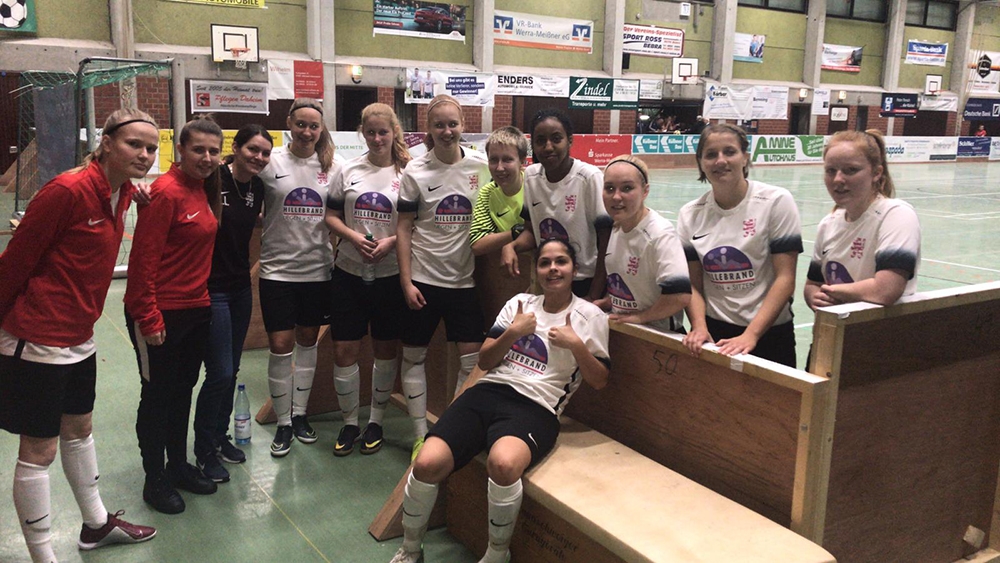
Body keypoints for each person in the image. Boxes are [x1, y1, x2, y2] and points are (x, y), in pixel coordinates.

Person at [389, 239, 610, 563]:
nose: (553, 269)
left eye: (561, 262)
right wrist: (513, 332)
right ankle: (410, 549)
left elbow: (599, 380)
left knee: (503, 464)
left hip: (537, 406)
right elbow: (486, 360)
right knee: (425, 463)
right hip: (489, 391)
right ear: (537, 270)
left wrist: (576, 345)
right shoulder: (520, 303)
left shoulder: (590, 316)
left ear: (574, 269)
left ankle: (496, 554)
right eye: (545, 262)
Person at [0, 108, 159, 562]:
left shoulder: (121, 192)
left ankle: (95, 524)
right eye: (134, 144)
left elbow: (131, 192)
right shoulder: (66, 191)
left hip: (80, 335)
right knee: (39, 449)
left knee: (79, 429)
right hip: (38, 336)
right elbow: (15, 263)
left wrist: (135, 194)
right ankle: (43, 556)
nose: (145, 154)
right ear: (106, 143)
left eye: (151, 148)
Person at [125, 116, 223, 514]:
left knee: (182, 391)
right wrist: (149, 318)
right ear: (180, 150)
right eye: (198, 149)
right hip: (159, 313)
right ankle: (155, 479)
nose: (206, 157)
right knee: (157, 396)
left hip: (195, 310)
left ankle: (178, 466)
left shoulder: (202, 188)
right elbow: (142, 263)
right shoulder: (164, 193)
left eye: (213, 151)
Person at [397, 94, 490, 460]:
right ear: (429, 129)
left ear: (463, 125)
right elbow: (404, 228)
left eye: (453, 124)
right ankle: (420, 435)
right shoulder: (416, 170)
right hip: (422, 280)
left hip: (463, 283)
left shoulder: (482, 167)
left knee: (472, 363)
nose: (447, 131)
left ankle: (449, 432)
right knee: (413, 357)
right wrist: (406, 282)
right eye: (439, 125)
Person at [676, 123, 802, 367]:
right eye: (710, 154)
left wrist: (751, 335)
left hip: (770, 333)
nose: (720, 160)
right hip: (715, 333)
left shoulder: (776, 201)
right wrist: (699, 326)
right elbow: (693, 284)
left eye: (729, 152)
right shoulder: (689, 214)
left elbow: (785, 278)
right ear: (700, 162)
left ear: (745, 157)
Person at [325, 103, 410, 456]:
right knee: (344, 350)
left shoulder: (407, 172)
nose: (377, 139)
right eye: (371, 132)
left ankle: (375, 420)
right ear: (362, 132)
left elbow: (413, 223)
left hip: (390, 275)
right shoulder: (347, 171)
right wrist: (353, 237)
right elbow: (330, 216)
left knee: (385, 349)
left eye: (383, 132)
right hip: (348, 272)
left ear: (394, 133)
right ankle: (350, 423)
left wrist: (391, 242)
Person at [192, 124, 272, 483]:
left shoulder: (256, 187)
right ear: (236, 148)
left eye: (265, 152)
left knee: (233, 369)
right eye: (252, 149)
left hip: (240, 288)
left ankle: (219, 436)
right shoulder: (213, 178)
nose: (259, 157)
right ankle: (204, 449)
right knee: (221, 372)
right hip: (212, 289)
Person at [258, 98, 337, 457]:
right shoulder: (270, 161)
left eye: (313, 126)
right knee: (279, 345)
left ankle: (300, 415)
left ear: (321, 129)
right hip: (276, 271)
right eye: (301, 124)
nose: (307, 132)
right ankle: (283, 423)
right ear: (289, 123)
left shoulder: (334, 166)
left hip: (317, 271)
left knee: (307, 341)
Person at [501, 108, 612, 300]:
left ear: (570, 140)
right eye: (540, 140)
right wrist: (511, 246)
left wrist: (593, 296)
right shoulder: (531, 176)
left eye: (556, 139)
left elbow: (607, 242)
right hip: (549, 280)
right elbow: (531, 232)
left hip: (586, 282)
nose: (548, 147)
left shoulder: (589, 178)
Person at [805, 130, 920, 309]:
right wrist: (815, 297)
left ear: (876, 173)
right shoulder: (828, 224)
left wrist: (831, 292)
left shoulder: (896, 215)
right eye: (831, 171)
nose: (838, 179)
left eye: (851, 170)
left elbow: (886, 290)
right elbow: (813, 284)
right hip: (837, 326)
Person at [597, 155, 691, 332]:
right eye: (609, 188)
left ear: (645, 191)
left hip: (659, 335)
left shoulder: (660, 233)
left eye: (627, 188)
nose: (616, 196)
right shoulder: (616, 227)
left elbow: (679, 296)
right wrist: (611, 301)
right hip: (626, 329)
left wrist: (641, 317)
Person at [469, 126, 528, 256]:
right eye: (494, 160)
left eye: (507, 160)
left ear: (522, 160)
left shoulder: (535, 186)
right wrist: (517, 231)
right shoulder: (487, 193)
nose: (499, 168)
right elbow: (477, 244)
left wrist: (497, 238)